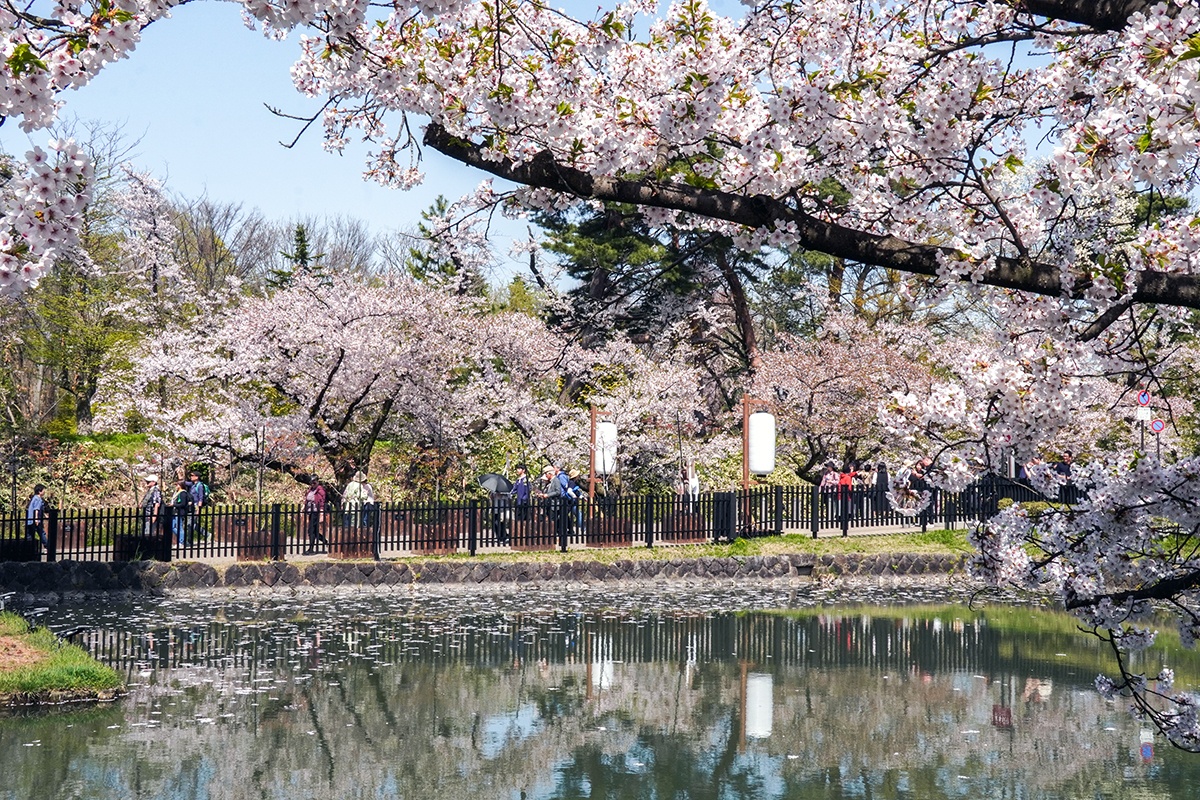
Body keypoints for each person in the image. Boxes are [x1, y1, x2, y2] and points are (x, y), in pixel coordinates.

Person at [303, 479, 329, 555]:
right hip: (310, 511)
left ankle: (311, 548)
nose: (313, 484)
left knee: (311, 530)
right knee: (314, 531)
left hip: (315, 512)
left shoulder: (320, 491)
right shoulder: (311, 490)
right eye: (311, 483)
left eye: (314, 482)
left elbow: (322, 503)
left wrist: (321, 514)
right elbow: (306, 500)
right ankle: (325, 542)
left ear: (317, 482)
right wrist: (302, 508)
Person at [187, 471, 210, 540]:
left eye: (192, 476)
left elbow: (201, 498)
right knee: (192, 524)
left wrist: (198, 509)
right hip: (192, 506)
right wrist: (178, 473)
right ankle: (207, 534)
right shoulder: (192, 484)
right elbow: (182, 482)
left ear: (197, 477)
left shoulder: (200, 486)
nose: (191, 477)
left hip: (196, 506)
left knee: (190, 524)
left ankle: (189, 540)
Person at [25, 484, 47, 549]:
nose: (44, 491)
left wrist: (44, 515)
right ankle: (48, 546)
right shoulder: (38, 499)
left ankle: (29, 549)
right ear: (40, 491)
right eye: (43, 490)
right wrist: (36, 519)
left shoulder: (34, 498)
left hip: (30, 520)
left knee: (30, 535)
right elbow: (36, 510)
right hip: (35, 520)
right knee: (42, 534)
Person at [170, 479, 193, 546]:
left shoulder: (183, 493)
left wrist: (173, 505)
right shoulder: (177, 492)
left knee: (179, 527)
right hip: (175, 512)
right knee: (172, 526)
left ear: (180, 485)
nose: (175, 486)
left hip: (180, 512)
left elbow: (183, 504)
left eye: (176, 485)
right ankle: (181, 537)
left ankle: (181, 541)